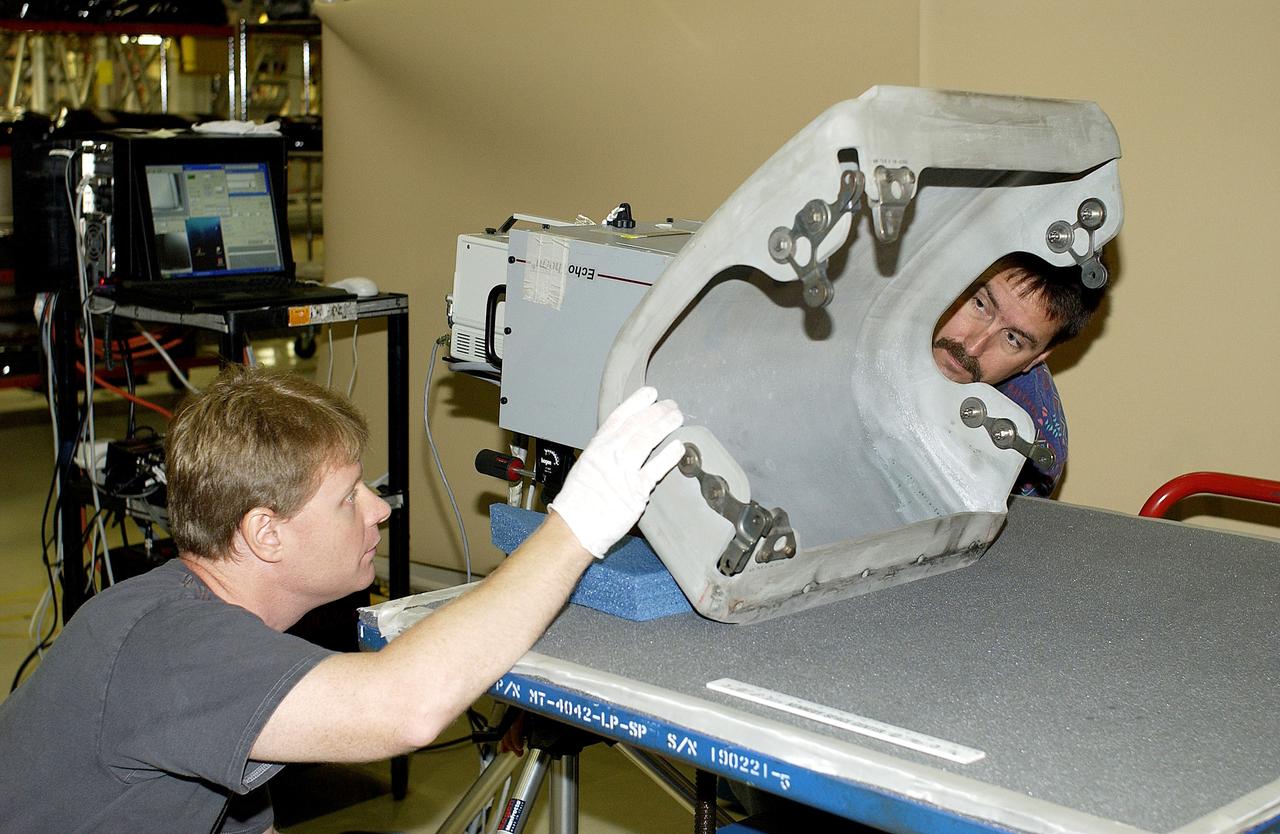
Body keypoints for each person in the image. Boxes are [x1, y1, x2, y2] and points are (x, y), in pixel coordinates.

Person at [0, 367, 684, 834]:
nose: (380, 510)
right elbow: (406, 708)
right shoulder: (173, 649)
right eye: (346, 497)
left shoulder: (199, 627)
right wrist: (580, 523)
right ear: (265, 532)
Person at [931, 252, 1104, 497]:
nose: (972, 347)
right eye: (980, 304)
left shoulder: (1031, 451)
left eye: (1012, 339)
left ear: (1036, 359)